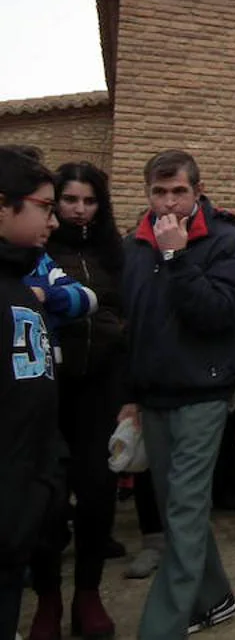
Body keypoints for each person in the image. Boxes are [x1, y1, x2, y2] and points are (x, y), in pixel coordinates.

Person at [121, 149, 235, 638]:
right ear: (147, 193)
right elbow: (133, 323)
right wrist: (129, 394)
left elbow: (220, 313)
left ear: (197, 191)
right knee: (177, 506)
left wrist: (176, 258)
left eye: (178, 191)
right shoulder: (134, 243)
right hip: (153, 394)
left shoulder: (223, 239)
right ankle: (214, 596)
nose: (169, 202)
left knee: (186, 506)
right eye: (159, 191)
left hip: (203, 391)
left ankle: (162, 626)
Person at [28, 163, 127, 639]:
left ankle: (88, 593)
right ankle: (47, 597)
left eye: (89, 201)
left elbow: (129, 309)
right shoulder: (37, 250)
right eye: (70, 200)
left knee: (96, 491)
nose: (80, 210)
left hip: (101, 385)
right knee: (47, 498)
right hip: (48, 389)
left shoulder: (114, 251)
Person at [0, 149, 66, 640]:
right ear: (4, 206)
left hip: (25, 493)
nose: (54, 219)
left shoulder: (22, 284)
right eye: (44, 207)